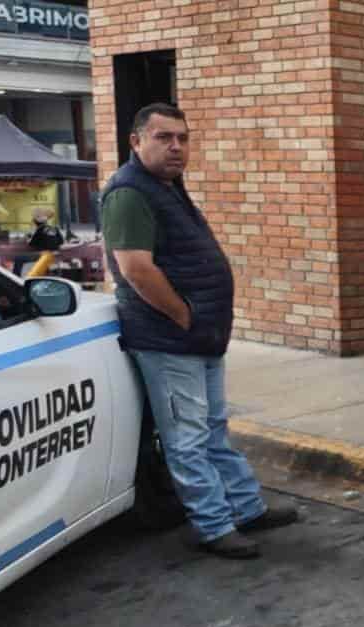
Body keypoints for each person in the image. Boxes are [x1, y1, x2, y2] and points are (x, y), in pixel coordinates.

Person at [102, 103, 298, 560]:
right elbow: (136, 269)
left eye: (183, 138)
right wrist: (182, 315)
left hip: (200, 337)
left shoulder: (165, 187)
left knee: (212, 429)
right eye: (163, 137)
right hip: (171, 340)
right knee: (187, 438)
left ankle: (245, 509)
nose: (176, 147)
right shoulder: (129, 192)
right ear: (136, 141)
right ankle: (212, 526)